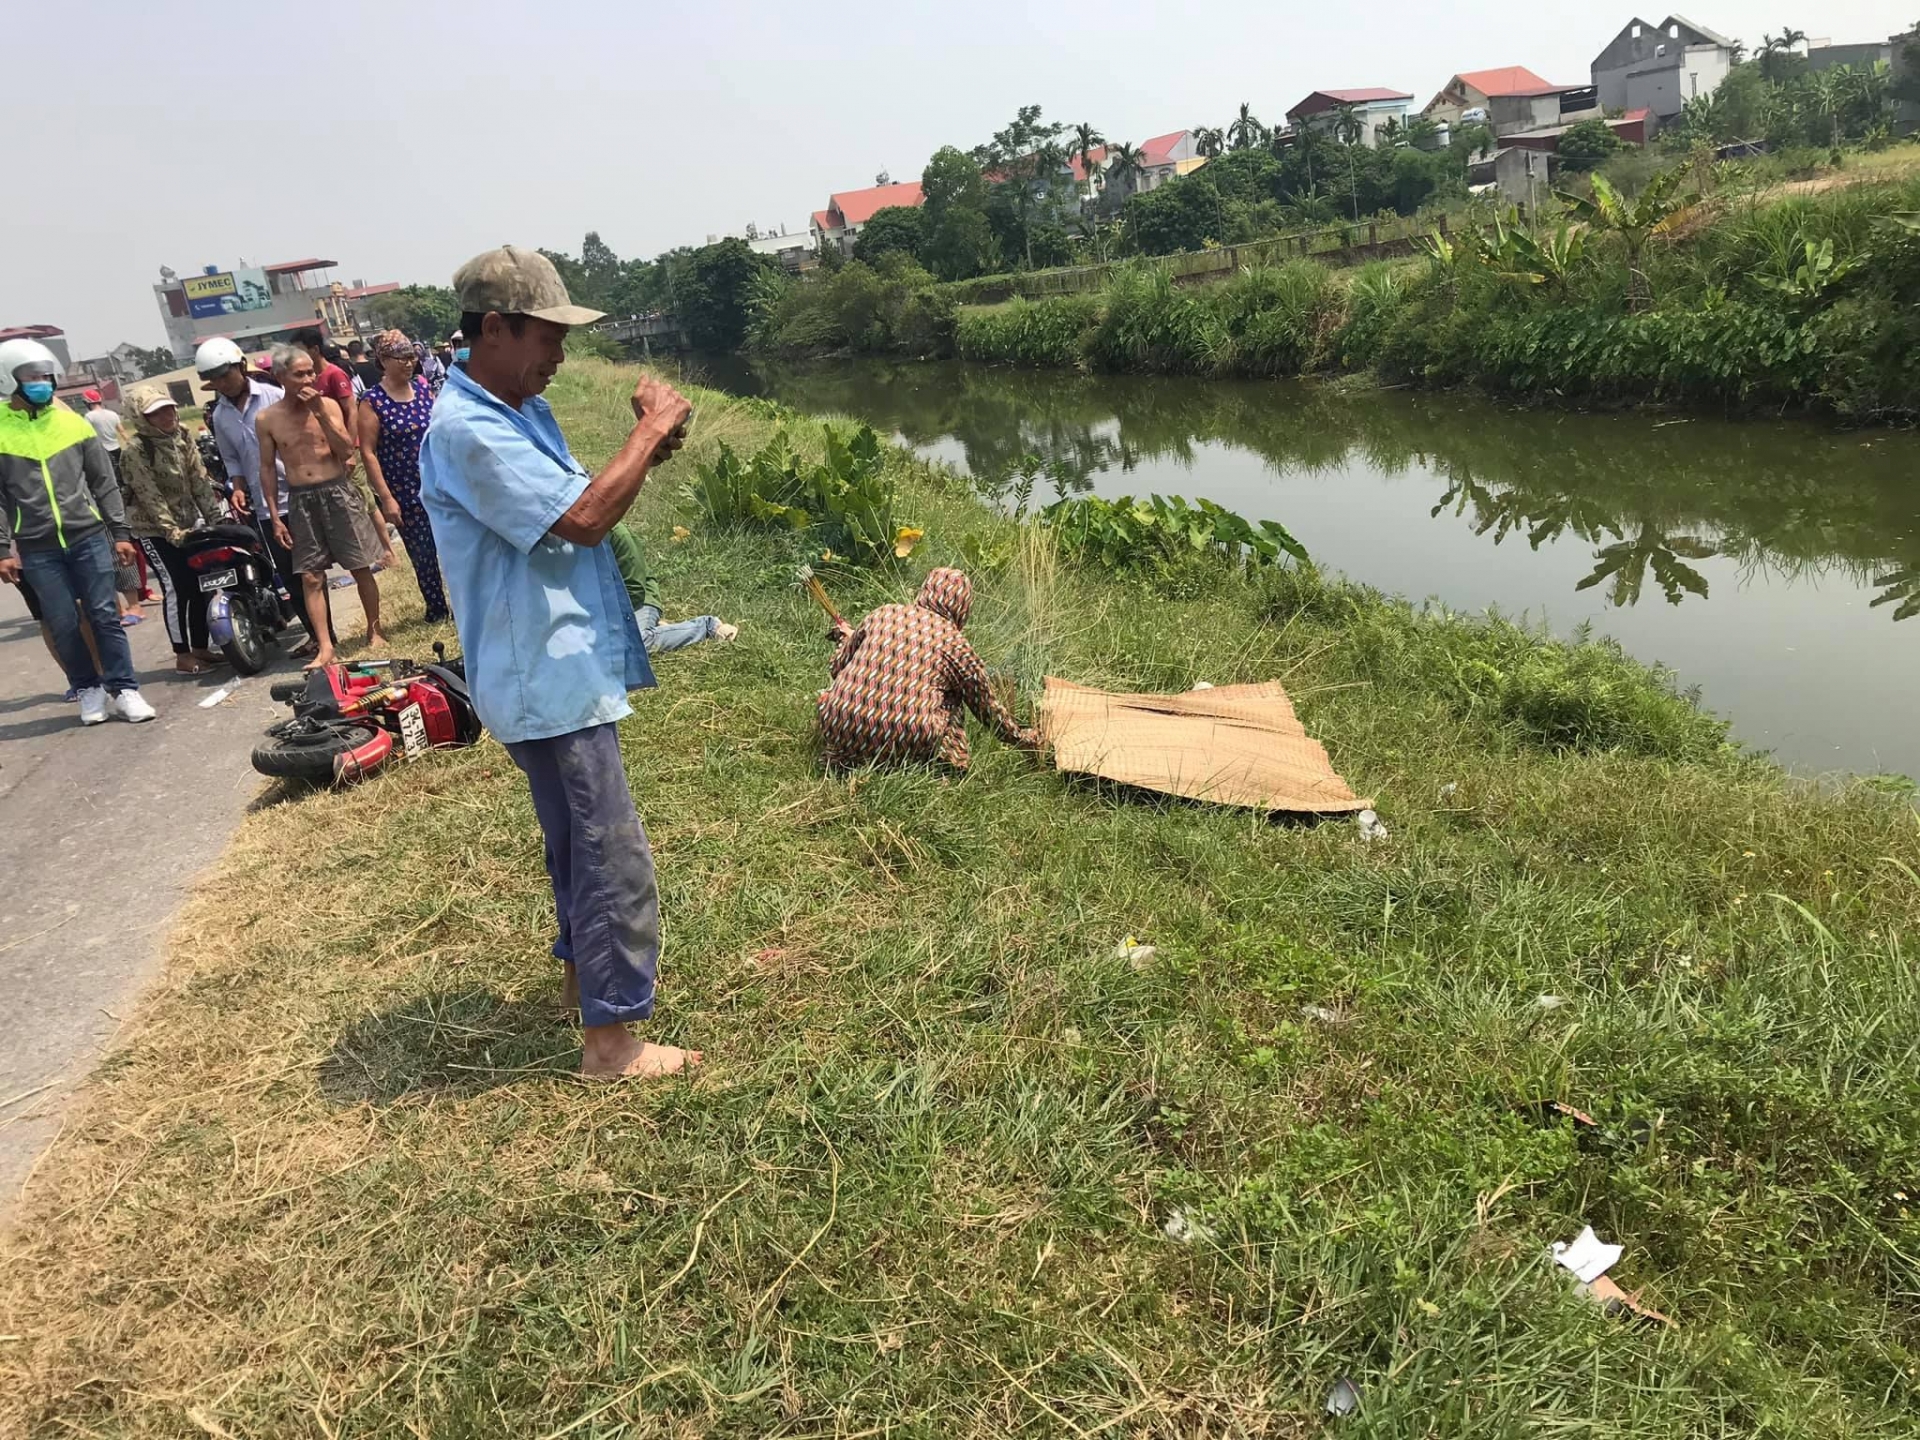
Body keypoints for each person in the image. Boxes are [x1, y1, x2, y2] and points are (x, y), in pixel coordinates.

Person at [420, 244, 698, 1080]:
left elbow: (582, 502)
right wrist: (646, 432)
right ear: (494, 329)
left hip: (555, 668)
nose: (560, 355)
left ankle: (586, 990)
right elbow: (580, 519)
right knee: (609, 852)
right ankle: (612, 1045)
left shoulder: (514, 412)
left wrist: (649, 448)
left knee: (579, 845)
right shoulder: (469, 428)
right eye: (548, 336)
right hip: (545, 675)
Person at [0, 338, 156, 724]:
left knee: (104, 615)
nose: (43, 383)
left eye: (45, 376)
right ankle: (88, 689)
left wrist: (120, 532)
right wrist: (3, 548)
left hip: (87, 536)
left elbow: (104, 483)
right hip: (37, 547)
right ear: (8, 380)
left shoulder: (73, 424)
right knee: (62, 621)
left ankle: (125, 688)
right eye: (32, 377)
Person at [818, 567, 1038, 772]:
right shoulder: (956, 644)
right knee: (953, 696)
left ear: (925, 591)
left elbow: (838, 667)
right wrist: (1021, 738)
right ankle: (947, 765)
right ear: (962, 608)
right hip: (904, 740)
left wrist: (845, 640)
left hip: (838, 723)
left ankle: (848, 756)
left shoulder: (883, 613)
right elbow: (986, 708)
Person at [197, 337, 334, 658]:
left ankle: (328, 636)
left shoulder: (274, 396)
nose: (221, 383)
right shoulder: (220, 415)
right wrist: (239, 486)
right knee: (288, 572)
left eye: (225, 375)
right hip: (267, 505)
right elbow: (231, 458)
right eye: (214, 379)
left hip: (300, 493)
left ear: (241, 367)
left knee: (311, 571)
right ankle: (316, 636)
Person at [258, 343, 393, 667]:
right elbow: (265, 468)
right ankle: (325, 646)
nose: (308, 380)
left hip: (336, 491)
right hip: (301, 498)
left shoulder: (329, 406)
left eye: (311, 373)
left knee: (359, 565)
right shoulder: (267, 419)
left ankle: (374, 631)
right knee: (310, 576)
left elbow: (347, 450)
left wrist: (320, 412)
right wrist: (275, 516)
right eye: (299, 374)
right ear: (280, 377)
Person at [120, 383, 225, 673]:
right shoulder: (136, 451)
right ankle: (182, 654)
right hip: (154, 530)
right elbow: (148, 495)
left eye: (169, 408)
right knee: (177, 588)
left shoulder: (183, 437)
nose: (168, 415)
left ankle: (201, 648)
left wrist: (215, 522)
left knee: (201, 585)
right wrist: (171, 531)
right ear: (143, 418)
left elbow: (199, 481)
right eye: (157, 412)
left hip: (189, 523)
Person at [357, 330, 450, 623]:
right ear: (383, 360)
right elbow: (368, 452)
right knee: (423, 554)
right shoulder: (373, 401)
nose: (409, 363)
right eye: (402, 358)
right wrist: (386, 498)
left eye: (412, 356)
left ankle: (464, 605)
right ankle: (436, 609)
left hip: (439, 484)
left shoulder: (423, 389)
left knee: (453, 547)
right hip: (405, 491)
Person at [606, 520, 737, 654]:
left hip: (639, 601)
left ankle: (707, 626)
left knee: (637, 643)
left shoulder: (618, 536)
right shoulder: (584, 537)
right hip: (601, 605)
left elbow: (635, 590)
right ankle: (658, 630)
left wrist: (605, 618)